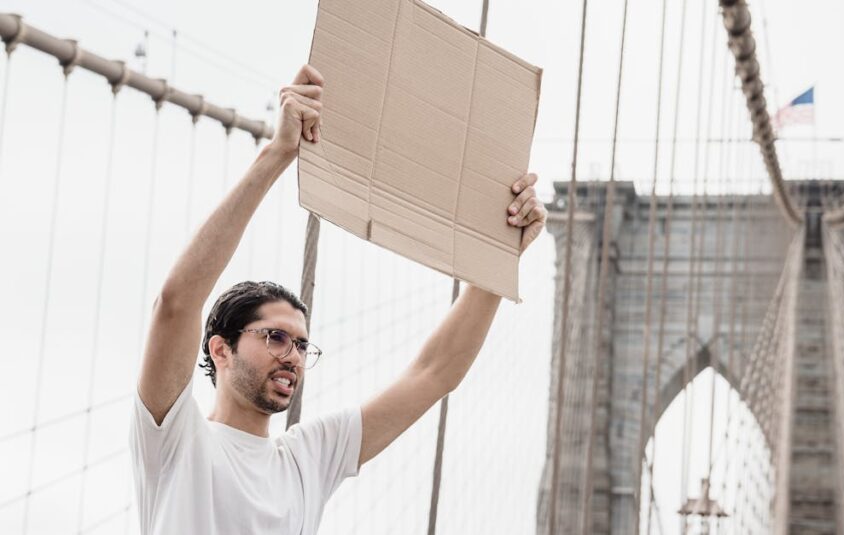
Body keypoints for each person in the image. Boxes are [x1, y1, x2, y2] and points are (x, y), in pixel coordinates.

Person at [130, 64, 547, 534]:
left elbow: (434, 373)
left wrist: (496, 258)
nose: (293, 356)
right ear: (220, 348)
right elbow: (177, 303)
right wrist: (277, 153)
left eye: (303, 345)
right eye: (275, 337)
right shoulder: (173, 440)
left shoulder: (309, 456)